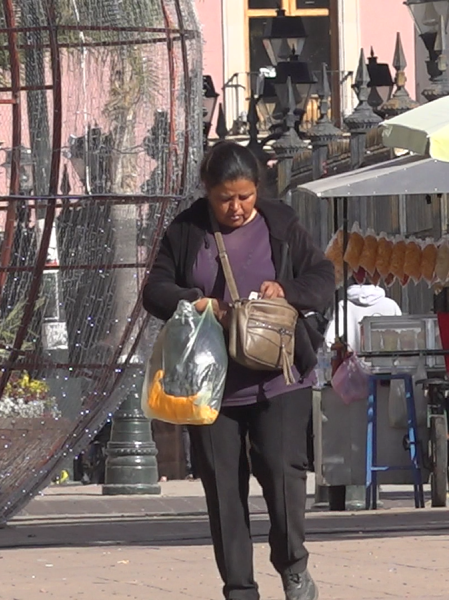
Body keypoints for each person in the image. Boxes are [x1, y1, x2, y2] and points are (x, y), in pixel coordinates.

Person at [143, 141, 334, 600]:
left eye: (245, 196)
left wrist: (285, 290)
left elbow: (322, 279)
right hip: (212, 385)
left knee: (282, 471)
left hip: (279, 374)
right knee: (223, 488)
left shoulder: (280, 222)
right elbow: (155, 289)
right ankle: (239, 589)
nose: (236, 207)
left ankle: (292, 564)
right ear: (207, 192)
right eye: (225, 197)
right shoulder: (187, 229)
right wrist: (194, 300)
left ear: (258, 190)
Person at [323, 269, 401, 353]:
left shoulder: (344, 306)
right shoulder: (391, 306)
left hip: (354, 364)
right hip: (386, 363)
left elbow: (328, 341)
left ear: (352, 276)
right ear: (378, 279)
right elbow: (402, 339)